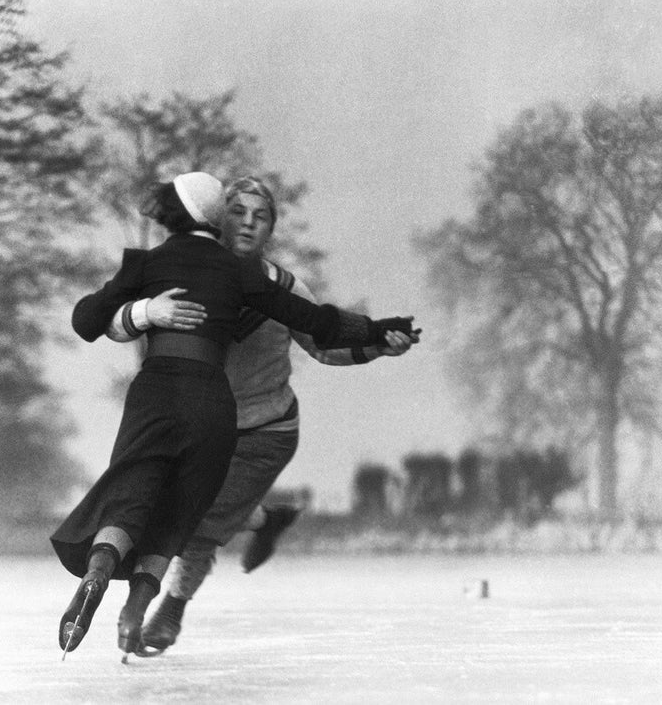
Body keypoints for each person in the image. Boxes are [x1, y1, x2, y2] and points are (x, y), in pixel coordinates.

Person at [50, 172, 418, 661]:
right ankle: (265, 520)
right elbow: (114, 322)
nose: (248, 223)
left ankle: (166, 610)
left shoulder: (281, 285)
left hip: (265, 429)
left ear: (271, 229)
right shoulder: (198, 270)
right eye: (238, 213)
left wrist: (377, 346)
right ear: (220, 220)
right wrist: (142, 313)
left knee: (193, 520)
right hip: (212, 419)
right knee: (179, 509)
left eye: (260, 216)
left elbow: (325, 344)